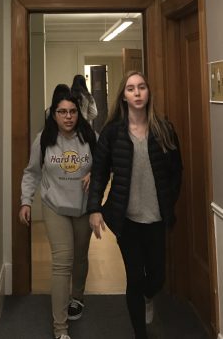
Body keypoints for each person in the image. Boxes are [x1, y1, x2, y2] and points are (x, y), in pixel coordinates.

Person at [87, 71, 182, 339]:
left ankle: (147, 298)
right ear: (123, 96)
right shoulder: (112, 132)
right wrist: (95, 208)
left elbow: (177, 171)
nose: (137, 93)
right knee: (135, 278)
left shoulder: (164, 129)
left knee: (157, 277)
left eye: (141, 87)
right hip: (126, 220)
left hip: (155, 218)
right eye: (131, 88)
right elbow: (99, 172)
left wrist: (168, 201)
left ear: (148, 92)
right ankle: (140, 334)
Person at [19, 87, 97, 339]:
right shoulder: (43, 140)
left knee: (80, 257)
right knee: (62, 262)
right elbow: (32, 172)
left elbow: (108, 167)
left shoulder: (90, 137)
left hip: (83, 207)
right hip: (55, 207)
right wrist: (26, 202)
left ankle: (78, 297)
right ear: (53, 114)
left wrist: (94, 175)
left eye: (72, 111)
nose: (68, 117)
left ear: (79, 114)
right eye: (62, 112)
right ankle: (61, 330)